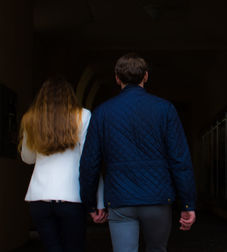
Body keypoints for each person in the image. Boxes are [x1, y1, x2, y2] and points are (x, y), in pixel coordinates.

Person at [79, 53, 197, 252]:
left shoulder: (103, 112)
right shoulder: (165, 109)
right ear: (146, 76)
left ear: (117, 78)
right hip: (158, 197)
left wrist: (90, 204)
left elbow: (90, 162)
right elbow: (180, 160)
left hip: (120, 198)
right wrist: (188, 203)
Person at [19, 77, 105, 252]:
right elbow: (89, 162)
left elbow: (28, 159)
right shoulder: (83, 115)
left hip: (39, 197)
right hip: (71, 197)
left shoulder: (31, 119)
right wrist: (99, 201)